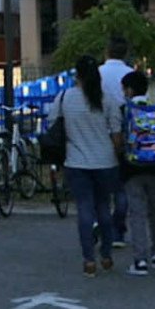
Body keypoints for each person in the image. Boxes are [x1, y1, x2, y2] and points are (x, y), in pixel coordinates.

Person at [50, 55, 122, 276]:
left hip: (76, 161)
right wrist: (118, 156)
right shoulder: (107, 100)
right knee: (104, 208)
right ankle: (107, 254)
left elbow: (52, 123)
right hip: (105, 161)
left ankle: (88, 259)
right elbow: (117, 135)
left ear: (77, 75)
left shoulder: (65, 98)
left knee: (84, 209)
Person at [119, 69, 155, 276]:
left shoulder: (125, 109)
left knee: (137, 213)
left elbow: (121, 136)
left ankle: (140, 260)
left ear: (129, 90)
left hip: (133, 167)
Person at [98, 37, 137, 248]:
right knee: (122, 186)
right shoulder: (130, 74)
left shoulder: (98, 73)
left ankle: (101, 225)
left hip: (100, 133)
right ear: (125, 53)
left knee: (102, 186)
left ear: (107, 52)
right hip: (125, 133)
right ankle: (118, 230)